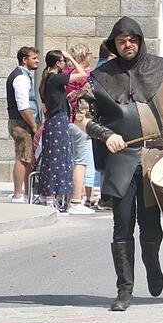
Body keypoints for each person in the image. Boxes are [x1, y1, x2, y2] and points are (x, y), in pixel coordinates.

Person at [75, 16, 163, 311]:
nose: (127, 45)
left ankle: (152, 262)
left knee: (150, 226)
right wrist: (105, 134)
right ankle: (124, 289)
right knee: (122, 226)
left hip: (155, 160)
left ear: (140, 41)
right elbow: (81, 117)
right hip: (121, 161)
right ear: (114, 44)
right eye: (121, 41)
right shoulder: (100, 77)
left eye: (132, 40)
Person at [37, 50, 87, 210]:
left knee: (51, 159)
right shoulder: (56, 78)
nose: (66, 63)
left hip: (53, 121)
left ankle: (47, 195)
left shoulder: (48, 79)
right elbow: (81, 73)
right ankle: (52, 197)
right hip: (58, 121)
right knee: (58, 160)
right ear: (58, 62)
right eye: (63, 61)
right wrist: (72, 57)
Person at [64, 43, 96, 214]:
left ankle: (71, 196)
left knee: (72, 160)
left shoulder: (65, 74)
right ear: (84, 55)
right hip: (81, 121)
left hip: (67, 120)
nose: (92, 55)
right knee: (81, 161)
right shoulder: (84, 75)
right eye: (90, 53)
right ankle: (76, 199)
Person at [6, 46, 40, 203]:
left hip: (21, 122)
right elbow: (23, 106)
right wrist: (33, 124)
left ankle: (25, 194)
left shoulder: (23, 75)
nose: (37, 60)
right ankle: (18, 195)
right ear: (24, 60)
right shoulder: (21, 78)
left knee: (26, 158)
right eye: (34, 58)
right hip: (22, 123)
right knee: (22, 157)